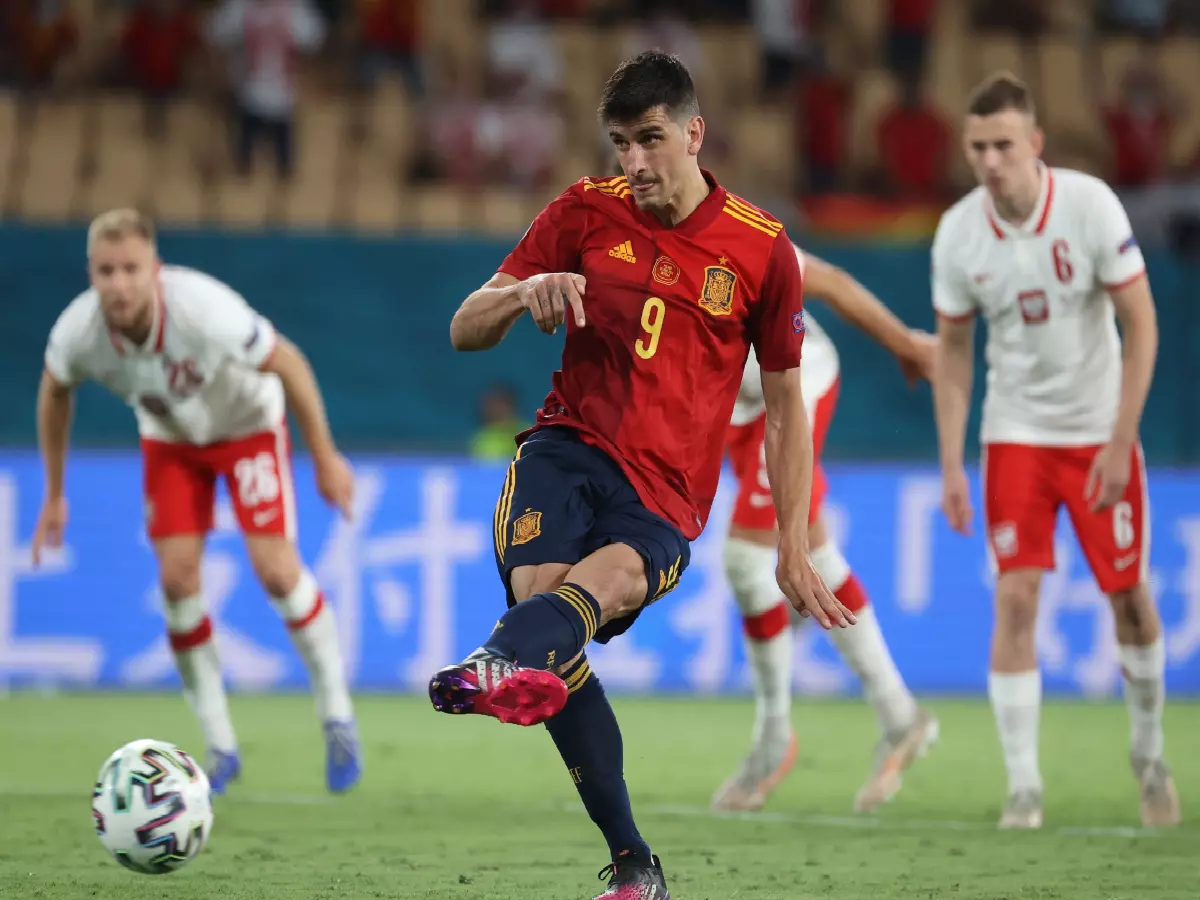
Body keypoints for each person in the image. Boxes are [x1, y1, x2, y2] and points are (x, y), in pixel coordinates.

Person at [430, 51, 853, 900]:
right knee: (549, 612)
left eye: (651, 139)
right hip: (565, 450)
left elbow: (784, 408)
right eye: (621, 142)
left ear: (695, 133)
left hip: (663, 496)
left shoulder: (763, 251)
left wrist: (794, 543)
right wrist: (525, 292)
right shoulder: (583, 213)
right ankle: (631, 861)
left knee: (595, 597)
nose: (635, 161)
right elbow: (462, 328)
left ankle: (502, 673)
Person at [32, 209, 362, 796]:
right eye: (106, 271)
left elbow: (287, 361)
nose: (119, 284)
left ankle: (336, 715)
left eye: (131, 269)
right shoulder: (77, 331)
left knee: (278, 573)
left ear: (154, 269)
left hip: (248, 427)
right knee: (178, 582)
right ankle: (221, 747)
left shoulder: (202, 310)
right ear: (91, 274)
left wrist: (326, 455)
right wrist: (54, 494)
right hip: (172, 443)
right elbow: (55, 391)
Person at [931, 72, 1178, 829]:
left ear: (1035, 144)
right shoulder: (959, 233)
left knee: (1129, 599)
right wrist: (951, 463)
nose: (991, 160)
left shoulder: (1090, 206)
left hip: (1101, 427)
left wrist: (1121, 437)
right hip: (1017, 435)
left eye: (1004, 144)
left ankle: (1148, 754)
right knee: (1015, 598)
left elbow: (1142, 324)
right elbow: (954, 353)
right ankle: (1025, 786)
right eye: (978, 148)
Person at [713, 248, 940, 815]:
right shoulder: (623, 245)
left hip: (795, 380)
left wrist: (907, 345)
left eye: (651, 150)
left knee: (746, 555)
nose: (639, 168)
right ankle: (901, 716)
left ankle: (773, 736)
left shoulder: (736, 234)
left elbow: (833, 283)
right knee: (817, 554)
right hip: (734, 405)